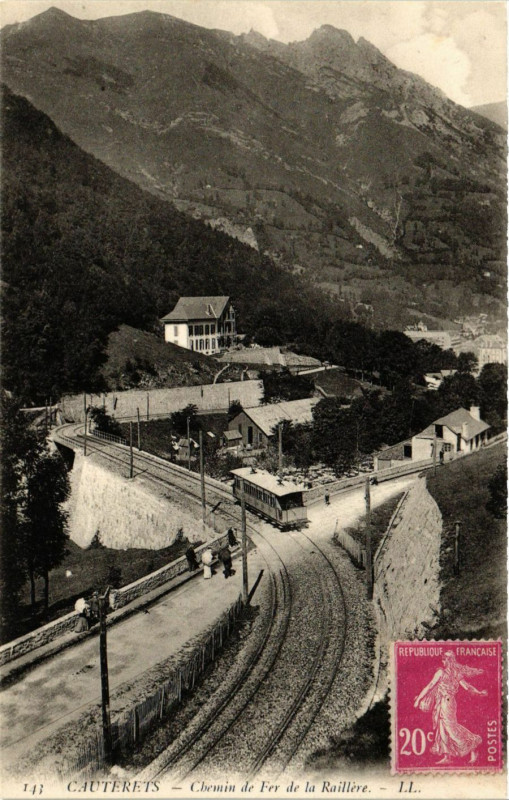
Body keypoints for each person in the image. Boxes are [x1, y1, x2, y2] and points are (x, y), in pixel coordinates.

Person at [414, 650, 487, 764]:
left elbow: (466, 686)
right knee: (441, 727)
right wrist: (419, 699)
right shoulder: (441, 672)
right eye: (443, 659)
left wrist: (479, 692)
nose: (443, 661)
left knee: (450, 727)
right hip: (441, 702)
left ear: (450, 660)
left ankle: (473, 745)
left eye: (446, 659)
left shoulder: (454, 673)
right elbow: (430, 686)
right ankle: (447, 756)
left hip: (448, 703)